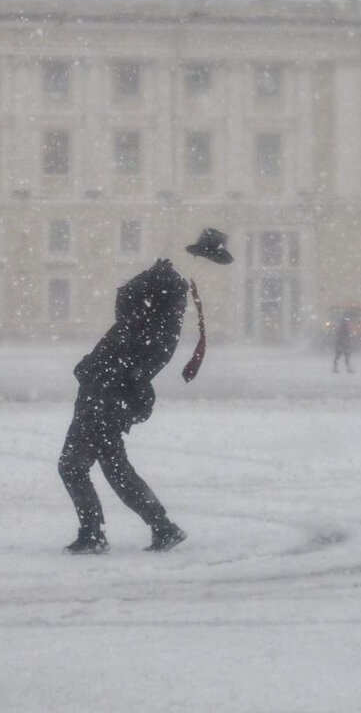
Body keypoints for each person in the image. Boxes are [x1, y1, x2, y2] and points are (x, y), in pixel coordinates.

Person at [58, 228, 234, 555]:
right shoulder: (168, 303)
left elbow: (127, 307)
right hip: (108, 389)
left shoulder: (165, 299)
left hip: (106, 391)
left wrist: (104, 371)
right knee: (105, 465)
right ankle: (156, 526)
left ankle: (105, 532)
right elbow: (131, 316)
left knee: (78, 465)